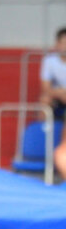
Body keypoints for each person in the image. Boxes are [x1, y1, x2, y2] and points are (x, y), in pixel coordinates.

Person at [39, 27, 66, 179]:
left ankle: (63, 145)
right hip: (57, 97)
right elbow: (46, 88)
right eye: (63, 42)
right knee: (44, 100)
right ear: (57, 44)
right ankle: (41, 135)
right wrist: (61, 93)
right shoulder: (49, 61)